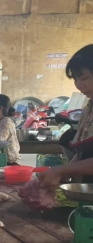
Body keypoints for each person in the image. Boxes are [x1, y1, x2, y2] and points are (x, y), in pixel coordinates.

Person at [39, 45, 93, 189]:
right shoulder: (88, 109)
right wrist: (62, 173)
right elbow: (83, 155)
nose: (79, 85)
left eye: (84, 78)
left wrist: (63, 170)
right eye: (75, 79)